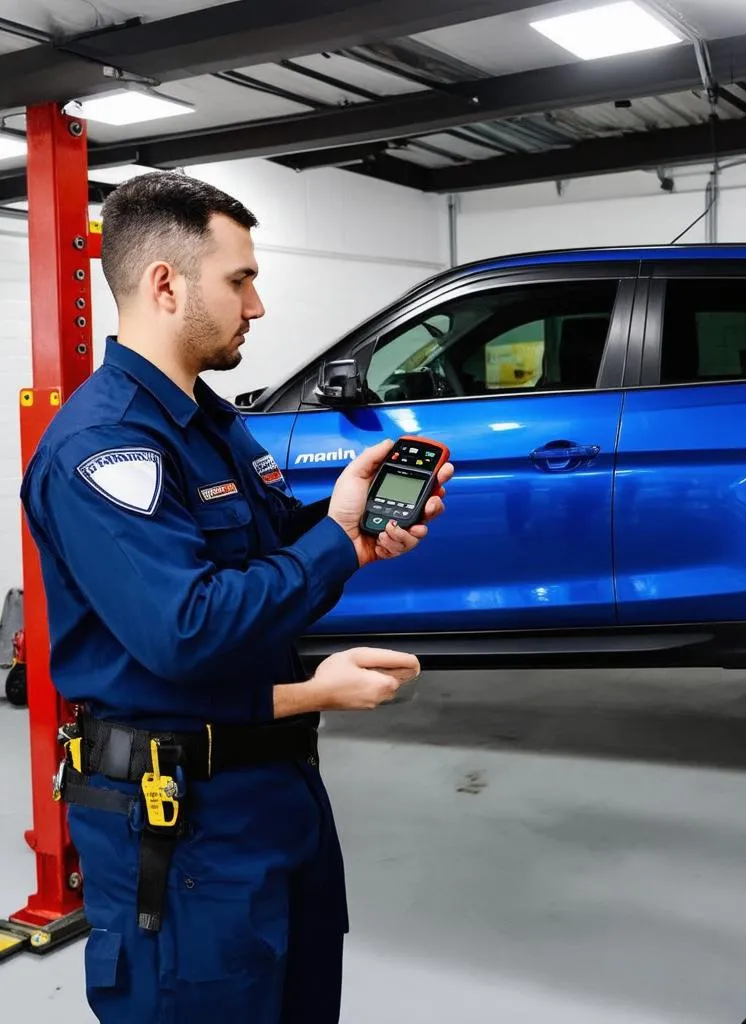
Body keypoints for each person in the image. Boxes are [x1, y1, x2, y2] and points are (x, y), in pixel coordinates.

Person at [19, 170, 453, 1024]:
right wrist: (333, 556)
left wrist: (344, 526)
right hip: (181, 831)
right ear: (166, 284)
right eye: (240, 279)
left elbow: (253, 555)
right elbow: (187, 628)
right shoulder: (106, 446)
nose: (256, 306)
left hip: (270, 794)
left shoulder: (211, 420)